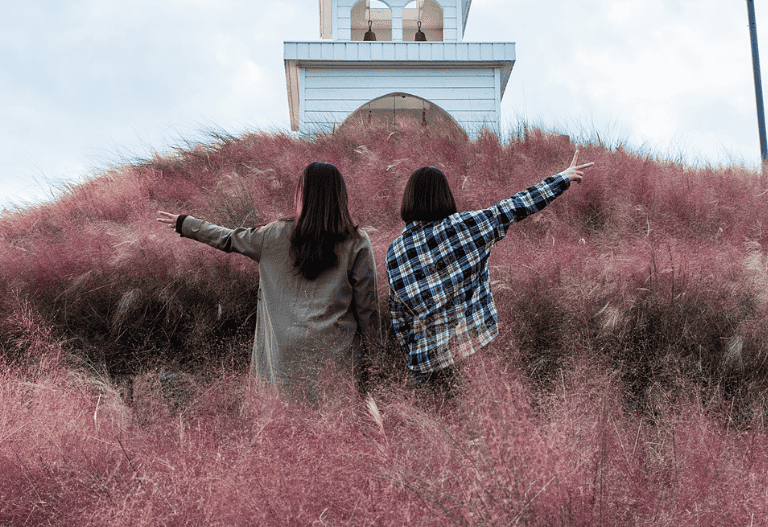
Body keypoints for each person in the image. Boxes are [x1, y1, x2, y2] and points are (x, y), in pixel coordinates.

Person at [157, 162, 380, 401]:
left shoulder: (272, 235)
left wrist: (187, 224)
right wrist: (376, 360)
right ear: (339, 196)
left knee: (285, 429)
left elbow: (229, 238)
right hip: (337, 360)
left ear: (300, 194)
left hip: (283, 362)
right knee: (336, 432)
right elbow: (367, 307)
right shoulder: (357, 241)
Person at [386, 150, 593, 394]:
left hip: (426, 365)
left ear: (408, 200)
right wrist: (563, 179)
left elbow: (399, 317)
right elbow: (517, 205)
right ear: (444, 195)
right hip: (474, 354)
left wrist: (414, 356)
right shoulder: (467, 226)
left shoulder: (395, 251)